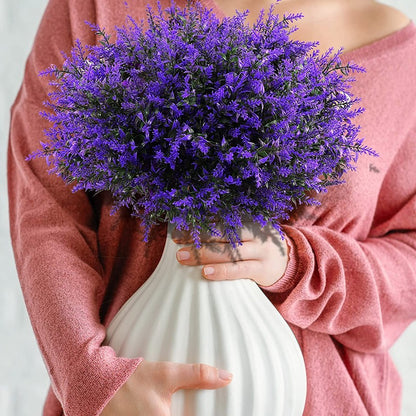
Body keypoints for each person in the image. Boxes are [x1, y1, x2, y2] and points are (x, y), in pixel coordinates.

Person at [8, 0, 416, 414]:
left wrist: (300, 264)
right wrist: (90, 377)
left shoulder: (402, 59)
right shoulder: (96, 7)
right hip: (128, 398)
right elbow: (46, 207)